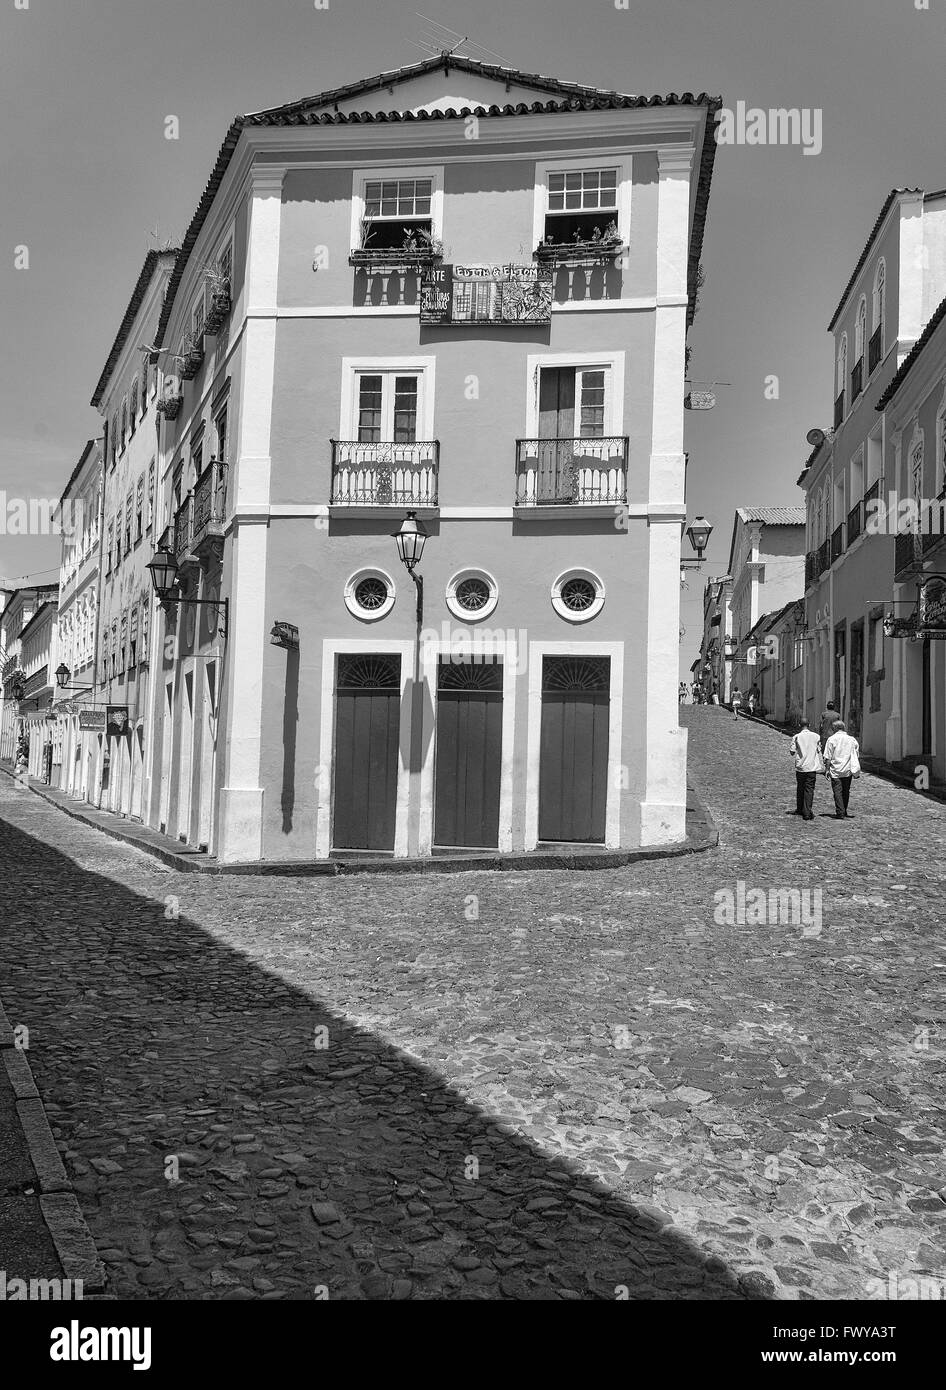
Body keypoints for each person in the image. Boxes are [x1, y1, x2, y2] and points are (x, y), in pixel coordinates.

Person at [823, 718, 860, 818]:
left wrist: (826, 770)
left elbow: (828, 757)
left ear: (834, 728)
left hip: (836, 770)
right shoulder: (852, 740)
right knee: (846, 791)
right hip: (848, 769)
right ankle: (844, 810)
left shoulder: (831, 739)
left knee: (837, 791)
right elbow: (856, 754)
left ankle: (840, 812)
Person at [789, 718, 822, 821]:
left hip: (801, 767)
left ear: (799, 725)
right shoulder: (816, 736)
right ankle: (807, 812)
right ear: (809, 724)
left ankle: (799, 809)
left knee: (800, 788)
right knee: (809, 789)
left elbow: (792, 752)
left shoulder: (797, 737)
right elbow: (819, 749)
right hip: (811, 767)